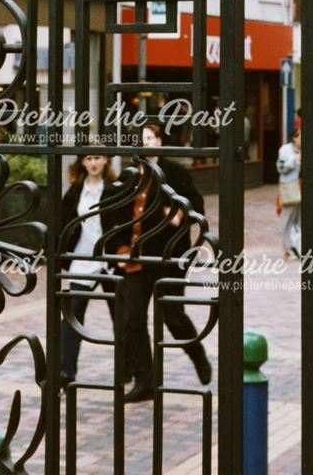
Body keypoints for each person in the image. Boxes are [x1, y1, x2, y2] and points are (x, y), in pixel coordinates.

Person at [118, 122, 212, 403]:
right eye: (141, 139)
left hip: (168, 258)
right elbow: (116, 212)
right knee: (132, 320)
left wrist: (179, 212)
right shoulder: (131, 174)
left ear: (159, 141)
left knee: (173, 317)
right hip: (136, 258)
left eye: (150, 138)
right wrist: (120, 247)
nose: (146, 144)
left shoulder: (175, 172)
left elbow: (195, 202)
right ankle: (145, 380)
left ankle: (198, 355)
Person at [59, 145, 119, 390]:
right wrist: (62, 257)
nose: (93, 163)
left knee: (122, 317)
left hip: (111, 260)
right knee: (72, 314)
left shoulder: (116, 189)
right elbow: (63, 224)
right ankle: (65, 371)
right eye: (89, 158)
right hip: (83, 259)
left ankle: (128, 370)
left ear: (106, 161)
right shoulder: (75, 192)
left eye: (98, 158)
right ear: (82, 162)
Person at [277, 128, 302, 258]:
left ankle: (299, 246)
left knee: (301, 219)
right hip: (290, 187)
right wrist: (292, 162)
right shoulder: (285, 150)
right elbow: (280, 168)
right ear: (294, 137)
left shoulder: (307, 149)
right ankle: (288, 248)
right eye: (300, 136)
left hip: (303, 188)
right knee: (287, 219)